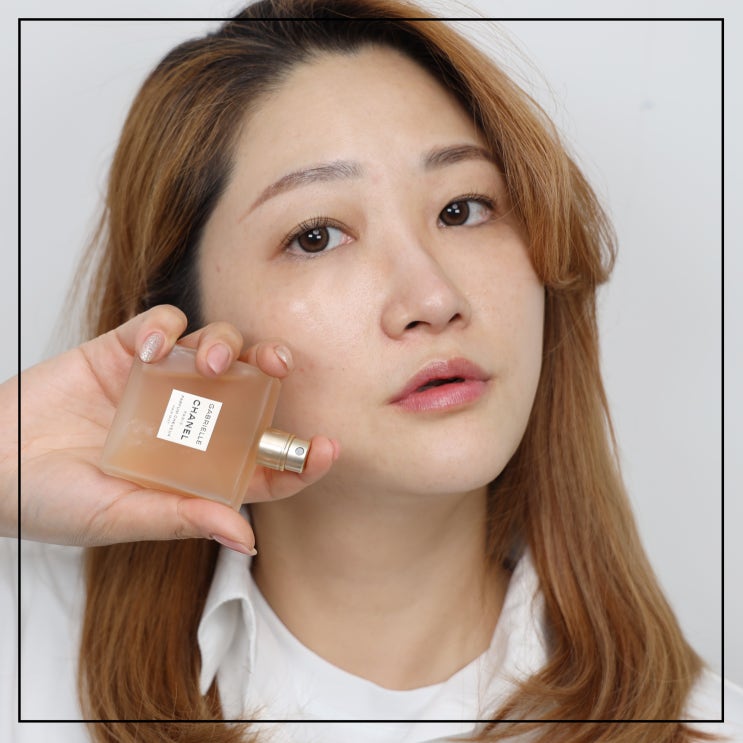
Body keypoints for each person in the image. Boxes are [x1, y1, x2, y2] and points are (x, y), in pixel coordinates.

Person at [4, 1, 741, 741]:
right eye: (317, 236)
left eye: (462, 209)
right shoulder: (27, 655)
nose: (433, 299)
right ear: (182, 327)